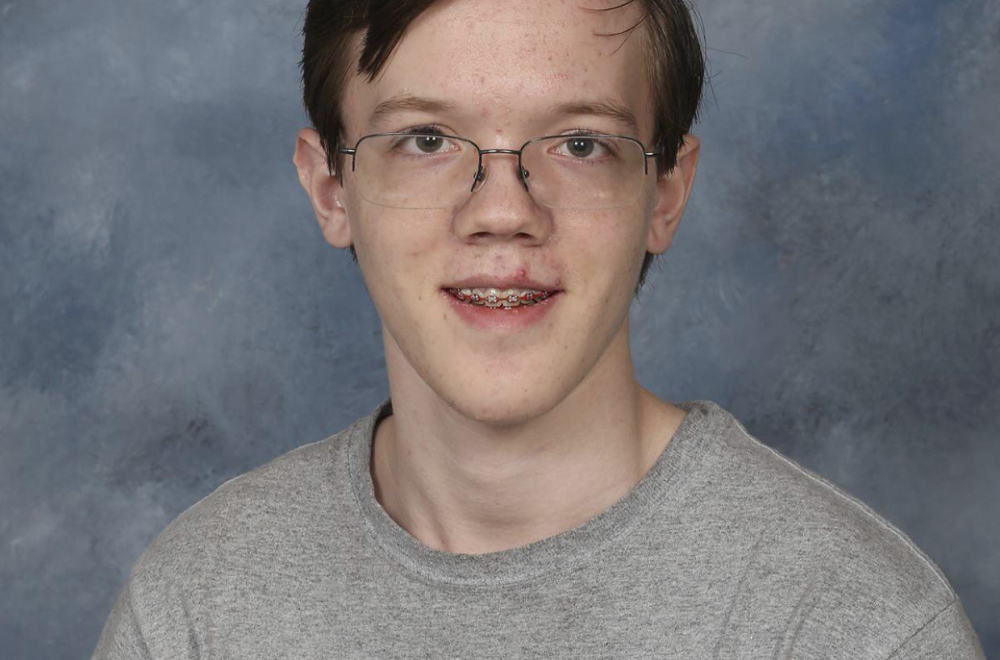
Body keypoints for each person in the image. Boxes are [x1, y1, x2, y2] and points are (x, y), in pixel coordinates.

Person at [92, 0, 987, 657]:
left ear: (665, 195)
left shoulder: (858, 628)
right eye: (427, 140)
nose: (502, 213)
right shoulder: (197, 609)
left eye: (580, 144)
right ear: (332, 189)